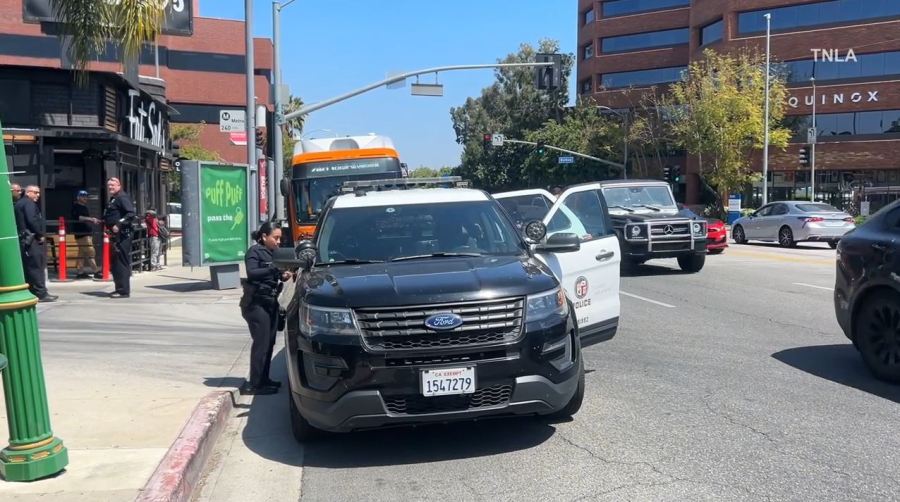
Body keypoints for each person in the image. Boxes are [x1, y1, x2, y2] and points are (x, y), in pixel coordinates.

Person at [240, 222, 291, 396]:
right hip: (256, 304)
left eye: (279, 238)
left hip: (270, 302)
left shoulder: (273, 253)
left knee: (269, 343)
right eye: (275, 237)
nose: (278, 241)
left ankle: (264, 379)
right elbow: (252, 273)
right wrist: (273, 268)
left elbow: (274, 276)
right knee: (261, 343)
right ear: (264, 237)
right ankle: (254, 384)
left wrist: (283, 275)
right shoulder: (254, 252)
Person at [15, 185, 57, 302]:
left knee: (30, 267)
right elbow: (32, 220)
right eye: (35, 192)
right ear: (28, 193)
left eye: (38, 193)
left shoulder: (19, 203)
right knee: (37, 266)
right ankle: (41, 293)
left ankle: (33, 290)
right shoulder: (28, 204)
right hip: (31, 239)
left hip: (25, 240)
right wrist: (40, 234)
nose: (38, 195)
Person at [103, 178, 135, 298]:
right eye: (109, 185)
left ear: (119, 185)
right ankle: (119, 288)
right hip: (115, 235)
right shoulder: (114, 198)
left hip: (123, 235)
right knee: (115, 263)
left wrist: (118, 224)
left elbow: (130, 214)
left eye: (112, 185)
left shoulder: (122, 197)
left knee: (121, 262)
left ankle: (124, 291)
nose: (110, 187)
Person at [71, 190, 101, 279]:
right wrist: (91, 219)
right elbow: (78, 217)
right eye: (82, 196)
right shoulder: (76, 207)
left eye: (86, 196)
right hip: (82, 233)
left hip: (86, 232)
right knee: (90, 251)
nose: (85, 198)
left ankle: (80, 272)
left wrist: (91, 219)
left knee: (82, 252)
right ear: (78, 197)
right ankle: (96, 271)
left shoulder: (84, 207)